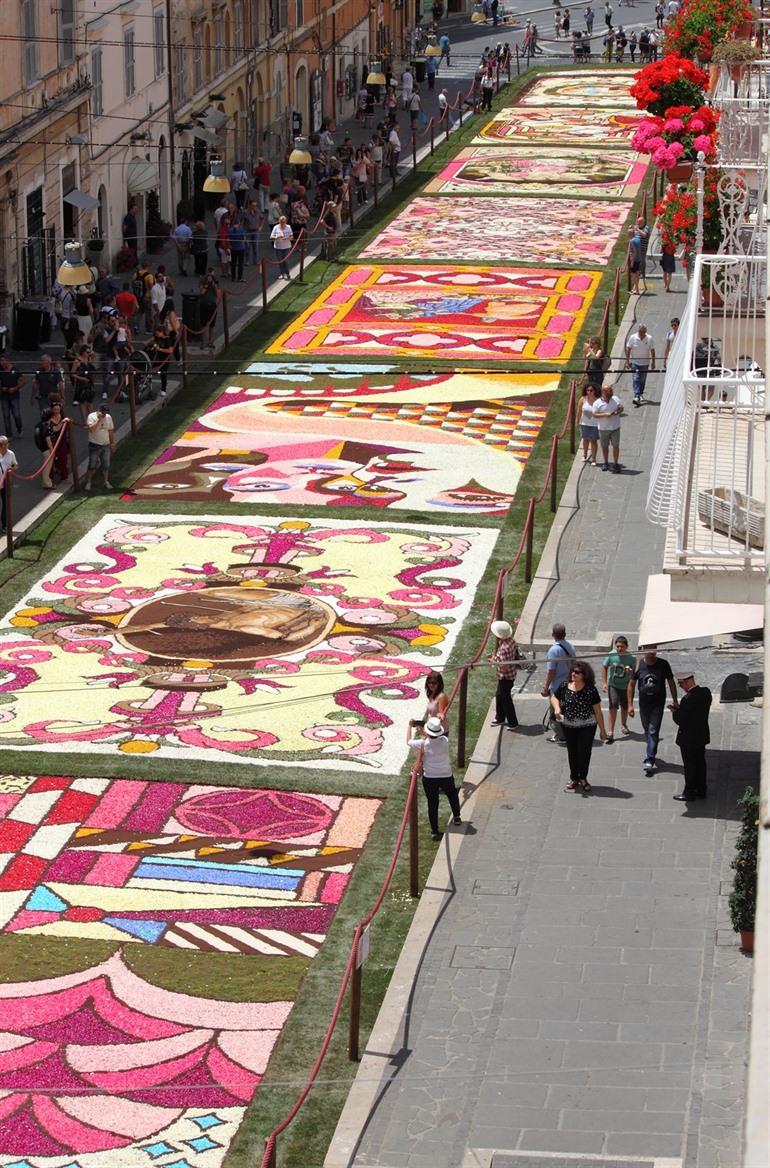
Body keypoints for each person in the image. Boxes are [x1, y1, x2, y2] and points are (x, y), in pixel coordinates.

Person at [552, 660, 607, 793]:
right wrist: (557, 708)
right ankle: (573, 778)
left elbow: (598, 711)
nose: (573, 674)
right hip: (569, 726)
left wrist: (603, 730)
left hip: (587, 726)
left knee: (584, 752)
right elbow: (554, 697)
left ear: (584, 675)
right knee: (572, 752)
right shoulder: (565, 686)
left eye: (577, 672)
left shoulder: (590, 690)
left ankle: (583, 777)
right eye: (572, 671)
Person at [408, 716, 462, 840]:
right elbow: (434, 738)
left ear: (428, 732)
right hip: (446, 774)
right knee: (452, 795)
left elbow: (409, 742)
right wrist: (424, 732)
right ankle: (457, 817)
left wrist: (409, 726)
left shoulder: (423, 743)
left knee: (432, 804)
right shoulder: (444, 740)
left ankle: (434, 831)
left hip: (430, 777)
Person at [627, 645, 677, 775]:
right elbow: (631, 685)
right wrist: (630, 705)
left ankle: (650, 758)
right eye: (648, 649)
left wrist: (675, 700)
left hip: (657, 702)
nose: (651, 652)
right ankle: (651, 750)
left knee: (653, 730)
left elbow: (671, 682)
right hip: (644, 702)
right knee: (646, 729)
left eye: (653, 649)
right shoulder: (638, 665)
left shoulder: (663, 664)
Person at [671, 671, 712, 800]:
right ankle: (701, 789)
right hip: (701, 735)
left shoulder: (688, 699)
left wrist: (675, 711)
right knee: (700, 763)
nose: (681, 687)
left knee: (690, 765)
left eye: (681, 684)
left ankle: (689, 791)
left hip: (689, 738)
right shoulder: (705, 693)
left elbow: (680, 719)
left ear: (688, 682)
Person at [542, 622, 576, 742]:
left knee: (555, 712)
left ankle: (561, 735)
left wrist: (546, 687)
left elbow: (551, 671)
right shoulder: (571, 646)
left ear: (553, 634)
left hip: (557, 687)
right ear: (565, 634)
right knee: (566, 710)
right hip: (570, 684)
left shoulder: (553, 651)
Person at [601, 635, 635, 741]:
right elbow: (604, 666)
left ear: (626, 647)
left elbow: (634, 674)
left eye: (622, 647)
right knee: (613, 706)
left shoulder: (632, 658)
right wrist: (604, 682)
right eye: (618, 646)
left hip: (625, 686)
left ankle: (624, 724)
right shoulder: (611, 655)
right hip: (614, 685)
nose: (619, 649)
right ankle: (610, 730)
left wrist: (630, 673)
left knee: (624, 707)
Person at [488, 619, 519, 730]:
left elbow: (504, 666)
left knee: (505, 699)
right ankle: (500, 717)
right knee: (500, 695)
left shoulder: (503, 649)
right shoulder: (511, 641)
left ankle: (513, 722)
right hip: (509, 675)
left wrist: (493, 661)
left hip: (505, 676)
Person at [592, 383, 623, 473]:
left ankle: (616, 463)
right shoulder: (597, 403)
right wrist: (605, 414)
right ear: (603, 392)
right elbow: (594, 414)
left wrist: (619, 411)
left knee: (616, 446)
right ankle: (606, 462)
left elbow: (621, 407)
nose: (611, 392)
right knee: (605, 447)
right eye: (609, 391)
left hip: (615, 428)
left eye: (611, 390)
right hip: (603, 429)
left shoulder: (616, 399)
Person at [83, 404, 115, 491]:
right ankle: (88, 482)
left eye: (105, 413)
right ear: (98, 411)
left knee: (106, 465)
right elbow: (92, 430)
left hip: (106, 445)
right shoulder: (91, 417)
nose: (104, 415)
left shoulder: (108, 417)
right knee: (92, 465)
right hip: (94, 445)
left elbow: (110, 431)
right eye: (103, 413)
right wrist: (99, 420)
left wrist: (112, 443)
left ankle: (106, 482)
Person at [41, 401, 69, 490]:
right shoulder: (47, 426)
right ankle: (48, 482)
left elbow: (56, 428)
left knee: (63, 459)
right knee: (49, 464)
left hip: (60, 443)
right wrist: (52, 451)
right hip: (52, 446)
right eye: (55, 409)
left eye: (58, 408)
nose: (57, 411)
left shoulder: (49, 424)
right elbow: (48, 438)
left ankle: (64, 476)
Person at [625, 323, 655, 407]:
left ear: (645, 332)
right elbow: (628, 349)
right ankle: (637, 396)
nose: (641, 333)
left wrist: (653, 362)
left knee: (642, 380)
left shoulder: (649, 338)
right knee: (636, 378)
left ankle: (640, 393)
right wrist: (627, 361)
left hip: (645, 363)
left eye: (643, 332)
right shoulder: (633, 337)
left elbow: (652, 351)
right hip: (635, 363)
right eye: (640, 331)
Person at [0, 356, 24, 437]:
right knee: (6, 416)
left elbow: (22, 381)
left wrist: (15, 388)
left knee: (16, 415)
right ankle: (9, 434)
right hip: (4, 397)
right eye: (0, 361)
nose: (1, 363)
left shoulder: (15, 370)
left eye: (3, 361)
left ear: (8, 361)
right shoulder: (1, 370)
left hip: (14, 396)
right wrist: (1, 388)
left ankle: (19, 429)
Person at [0, 435, 18, 533]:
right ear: (1, 446)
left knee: (6, 505)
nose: (8, 445)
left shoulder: (11, 453)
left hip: (6, 483)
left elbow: (15, 465)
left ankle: (4, 526)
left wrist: (11, 469)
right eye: (6, 443)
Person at [578, 383, 599, 464]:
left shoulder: (598, 400)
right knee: (585, 440)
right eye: (587, 390)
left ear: (594, 391)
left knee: (593, 441)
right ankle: (585, 455)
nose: (589, 392)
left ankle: (594, 458)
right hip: (584, 424)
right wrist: (577, 422)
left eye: (591, 390)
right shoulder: (583, 399)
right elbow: (579, 411)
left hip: (595, 424)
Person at [270, 215, 293, 279]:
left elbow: (292, 237)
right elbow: (271, 237)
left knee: (286, 261)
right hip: (278, 247)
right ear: (279, 222)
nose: (282, 223)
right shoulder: (275, 227)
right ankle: (282, 274)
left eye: (284, 222)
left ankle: (287, 273)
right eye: (281, 222)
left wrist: (287, 238)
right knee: (280, 261)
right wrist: (276, 237)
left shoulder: (288, 227)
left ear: (285, 222)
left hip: (287, 247)